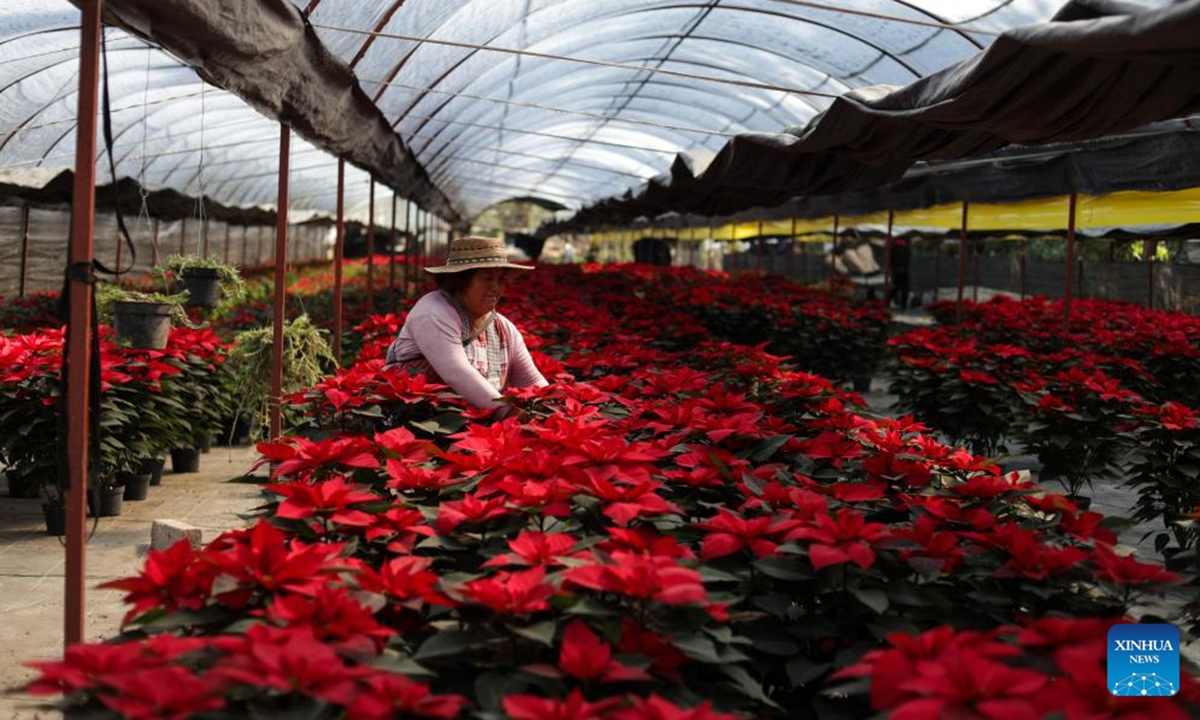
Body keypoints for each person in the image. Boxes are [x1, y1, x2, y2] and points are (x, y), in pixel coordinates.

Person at [385, 235, 548, 416]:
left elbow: (532, 381)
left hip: (472, 424)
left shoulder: (504, 329)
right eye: (487, 278)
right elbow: (456, 373)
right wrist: (512, 415)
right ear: (460, 280)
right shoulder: (433, 312)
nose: (496, 287)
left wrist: (552, 408)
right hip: (416, 422)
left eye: (500, 279)